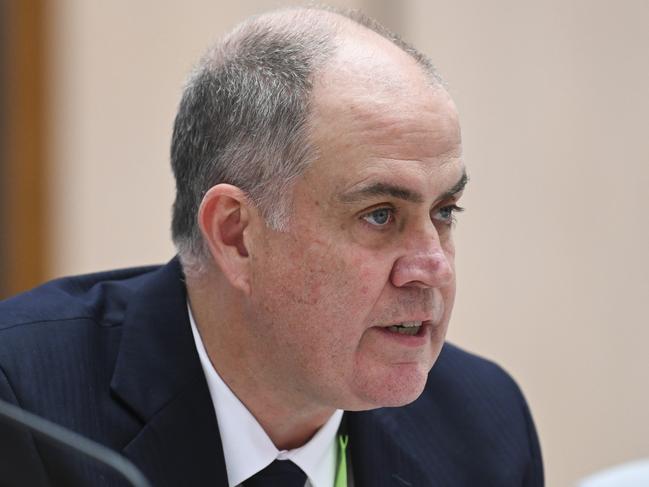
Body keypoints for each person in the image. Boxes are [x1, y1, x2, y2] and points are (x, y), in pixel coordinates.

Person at [0, 6, 543, 487]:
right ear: (237, 235)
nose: (431, 268)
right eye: (380, 215)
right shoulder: (26, 409)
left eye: (444, 213)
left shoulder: (483, 426)